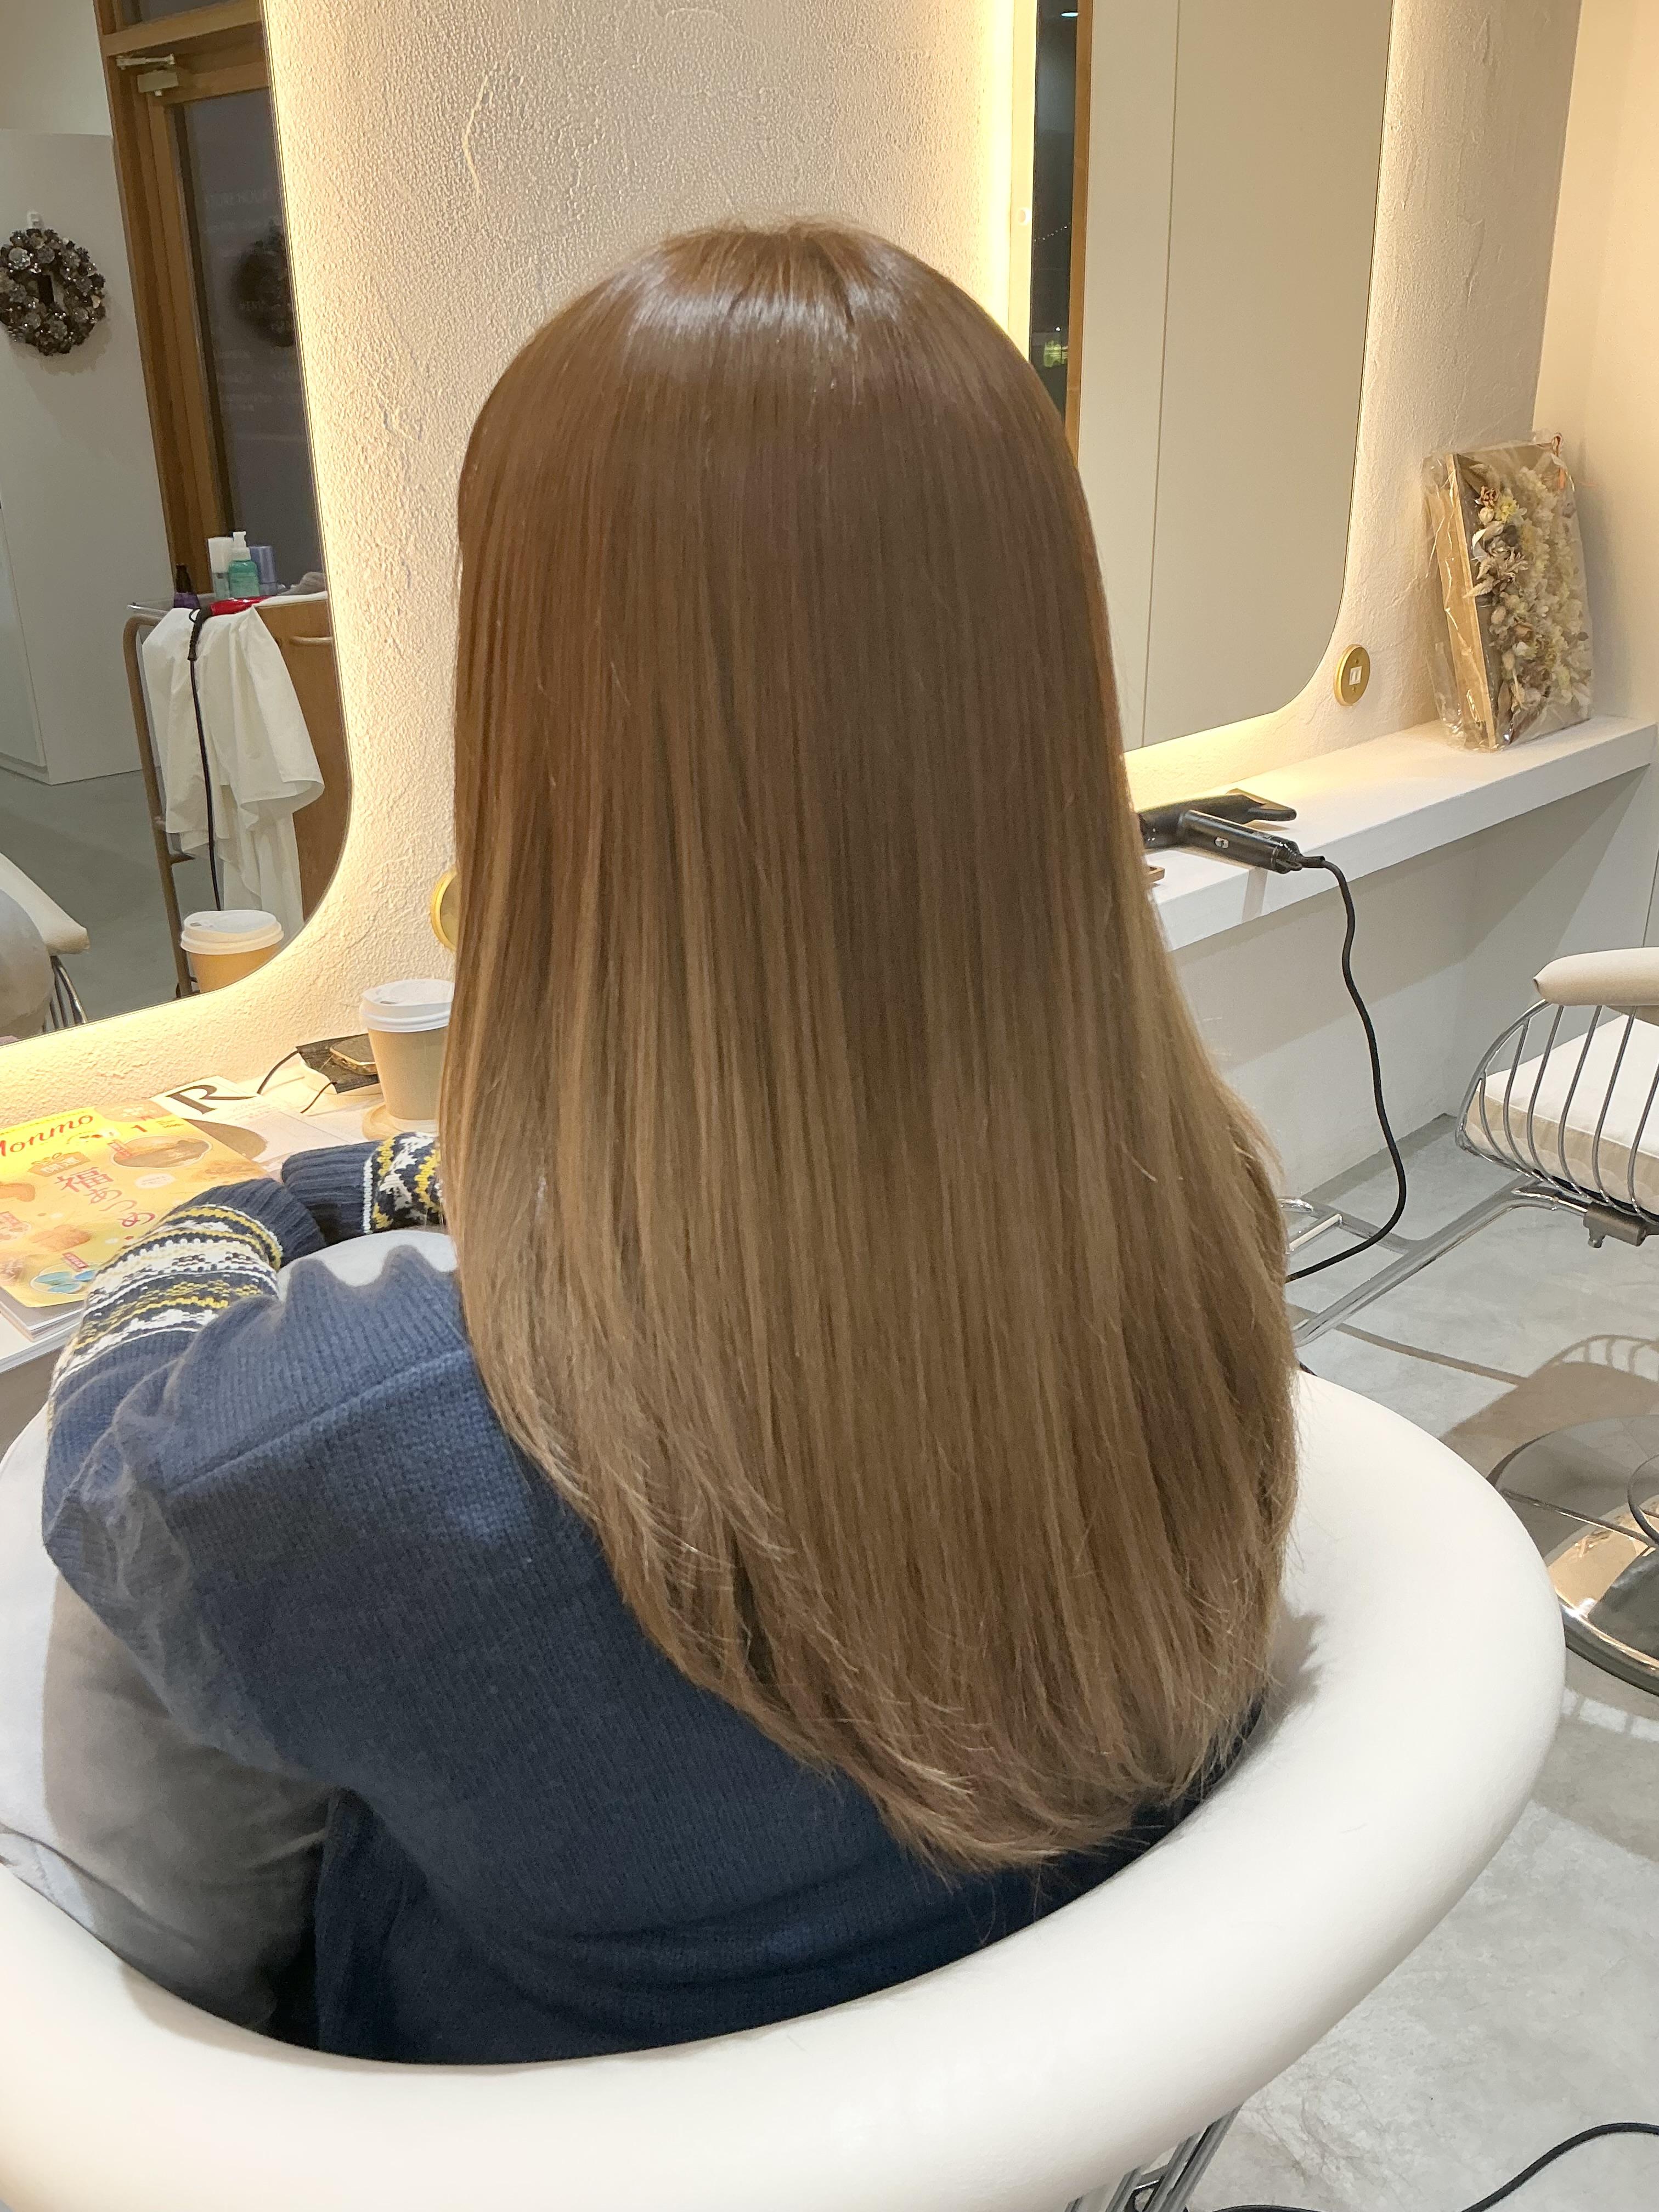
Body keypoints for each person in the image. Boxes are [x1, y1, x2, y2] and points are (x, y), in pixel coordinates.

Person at [43, 222, 1296, 2064]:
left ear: (548, 730)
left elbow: (110, 1465)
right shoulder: (1200, 1227)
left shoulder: (350, 1438)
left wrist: (289, 1197)